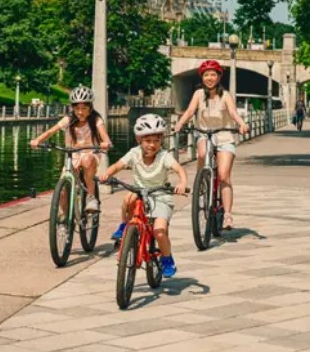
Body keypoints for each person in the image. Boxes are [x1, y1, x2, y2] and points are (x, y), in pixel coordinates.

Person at [100, 114, 188, 278]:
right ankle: (124, 225)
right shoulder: (134, 154)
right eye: (148, 141)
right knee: (128, 198)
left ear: (161, 140)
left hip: (160, 196)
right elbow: (118, 165)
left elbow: (179, 169)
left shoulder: (164, 156)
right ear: (139, 140)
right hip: (139, 193)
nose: (152, 145)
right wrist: (106, 174)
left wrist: (182, 183)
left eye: (156, 140)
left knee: (159, 231)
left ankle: (167, 259)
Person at [173, 59, 249, 231]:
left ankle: (228, 214)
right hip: (204, 134)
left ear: (218, 77)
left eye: (213, 74)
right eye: (206, 75)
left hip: (224, 136)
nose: (209, 78)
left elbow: (233, 113)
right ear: (202, 77)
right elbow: (190, 111)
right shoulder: (198, 94)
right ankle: (202, 180)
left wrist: (242, 124)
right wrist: (180, 123)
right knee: (201, 154)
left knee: (223, 176)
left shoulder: (225, 95)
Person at [29, 85, 112, 213]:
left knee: (87, 159)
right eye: (77, 108)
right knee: (62, 190)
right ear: (72, 108)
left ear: (90, 108)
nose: (80, 112)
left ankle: (91, 197)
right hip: (73, 155)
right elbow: (51, 131)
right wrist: (38, 140)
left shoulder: (96, 119)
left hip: (90, 153)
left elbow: (105, 137)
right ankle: (65, 220)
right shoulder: (68, 120)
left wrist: (105, 143)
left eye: (84, 108)